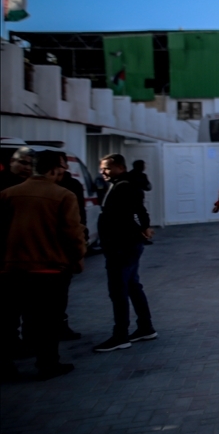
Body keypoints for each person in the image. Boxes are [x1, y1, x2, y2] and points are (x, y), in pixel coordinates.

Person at [0, 150, 86, 380]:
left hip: (12, 269)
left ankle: (5, 367)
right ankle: (47, 364)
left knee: (8, 321)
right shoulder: (63, 195)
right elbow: (73, 233)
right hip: (49, 269)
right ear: (53, 169)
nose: (63, 172)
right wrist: (78, 257)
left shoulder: (8, 194)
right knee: (46, 321)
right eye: (62, 168)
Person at [94, 153, 157, 353]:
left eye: (107, 168)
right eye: (102, 168)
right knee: (132, 286)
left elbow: (139, 211)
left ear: (120, 168)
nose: (103, 172)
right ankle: (145, 327)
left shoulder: (124, 186)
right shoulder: (119, 185)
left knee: (119, 290)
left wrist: (143, 228)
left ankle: (121, 335)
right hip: (124, 245)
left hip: (122, 247)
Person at [56, 159, 86, 341]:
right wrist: (80, 252)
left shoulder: (70, 187)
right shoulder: (64, 192)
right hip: (55, 257)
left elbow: (77, 222)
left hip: (58, 256)